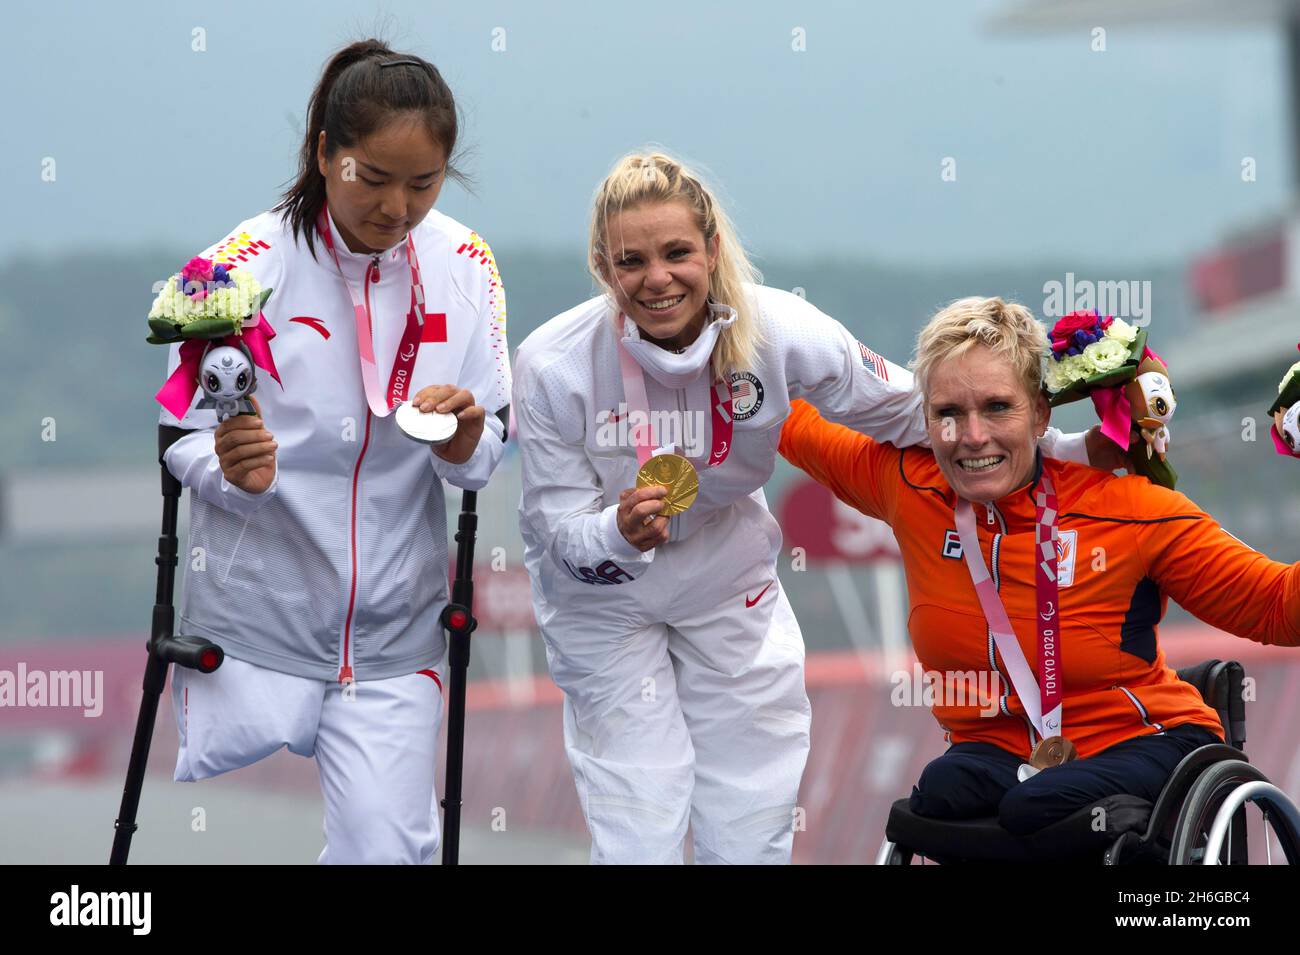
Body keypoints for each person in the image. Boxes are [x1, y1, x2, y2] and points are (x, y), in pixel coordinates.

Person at [511, 152, 1104, 864]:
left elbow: (906, 414)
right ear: (604, 269)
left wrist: (1065, 445)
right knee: (640, 815)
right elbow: (555, 534)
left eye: (676, 253)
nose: (657, 278)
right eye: (631, 261)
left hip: (724, 578)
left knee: (752, 812)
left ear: (713, 249)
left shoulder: (779, 329)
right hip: (603, 598)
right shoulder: (553, 364)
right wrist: (617, 528)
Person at [156, 39, 510, 864]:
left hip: (394, 628)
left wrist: (464, 434)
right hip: (260, 622)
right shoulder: (236, 265)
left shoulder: (465, 264)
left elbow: (488, 440)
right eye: (373, 178)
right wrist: (231, 469)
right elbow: (178, 433)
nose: (396, 207)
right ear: (324, 153)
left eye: (422, 184)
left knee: (387, 851)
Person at [778, 296, 1300, 838]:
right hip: (1006, 756)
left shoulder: (1133, 511)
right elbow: (781, 414)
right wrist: (701, 336)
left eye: (998, 407)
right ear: (924, 421)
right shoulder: (908, 485)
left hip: (1148, 740)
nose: (973, 436)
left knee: (1038, 804)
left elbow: (1280, 610)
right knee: (943, 792)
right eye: (948, 413)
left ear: (1041, 414)